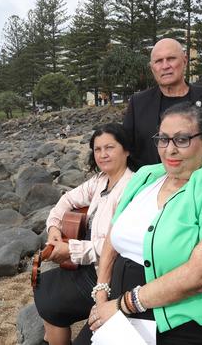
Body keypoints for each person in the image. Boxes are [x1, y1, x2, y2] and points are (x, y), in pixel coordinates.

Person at [76, 102, 202, 344]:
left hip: (187, 319)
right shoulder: (146, 176)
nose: (169, 150)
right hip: (121, 309)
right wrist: (101, 293)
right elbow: (114, 231)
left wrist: (124, 305)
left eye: (181, 139)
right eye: (163, 139)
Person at [33, 123, 135, 345]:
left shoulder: (131, 187)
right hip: (89, 265)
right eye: (97, 149)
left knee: (50, 299)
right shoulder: (100, 181)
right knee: (43, 285)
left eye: (109, 147)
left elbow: (115, 245)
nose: (103, 154)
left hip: (111, 276)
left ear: (126, 150)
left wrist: (71, 249)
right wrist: (53, 230)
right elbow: (67, 200)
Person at [123, 38, 202, 175]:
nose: (165, 66)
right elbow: (126, 156)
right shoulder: (138, 103)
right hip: (152, 190)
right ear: (152, 67)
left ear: (185, 60)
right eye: (159, 61)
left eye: (171, 58)